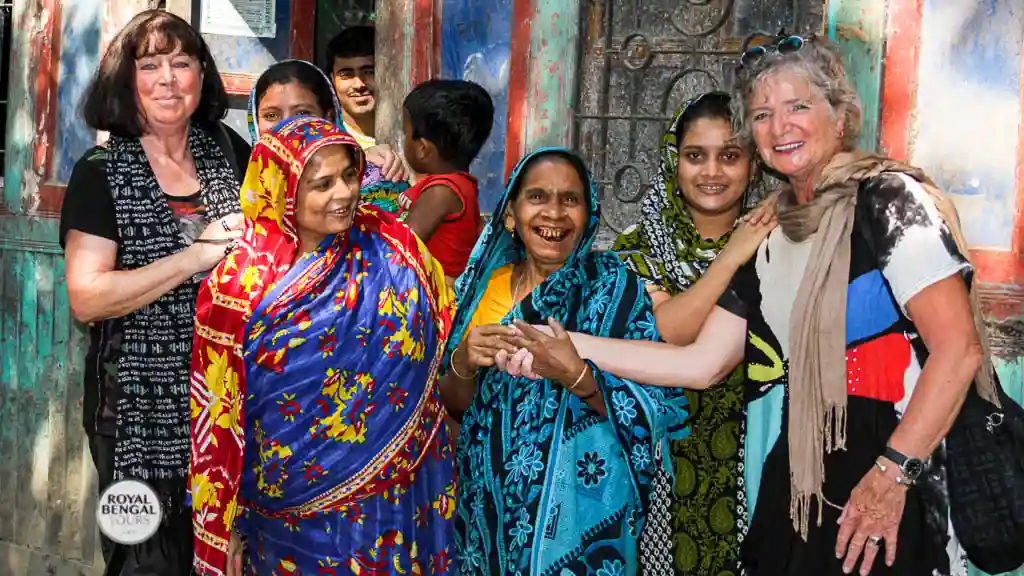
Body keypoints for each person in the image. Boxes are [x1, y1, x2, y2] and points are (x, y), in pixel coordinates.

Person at [506, 35, 995, 576]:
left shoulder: (890, 201)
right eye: (762, 114)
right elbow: (700, 363)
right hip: (806, 477)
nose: (780, 126)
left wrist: (891, 474)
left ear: (841, 116)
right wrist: (566, 343)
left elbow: (958, 350)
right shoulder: (774, 236)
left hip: (896, 469)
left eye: (798, 106)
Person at [189, 117, 456, 576]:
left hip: (394, 500)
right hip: (284, 520)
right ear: (281, 189)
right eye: (322, 184)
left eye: (350, 176)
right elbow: (216, 413)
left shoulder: (392, 246)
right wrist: (224, 519)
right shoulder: (235, 288)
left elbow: (442, 327)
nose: (344, 194)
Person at [439, 148, 689, 575]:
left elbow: (660, 405)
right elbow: (456, 406)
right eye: (537, 197)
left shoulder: (614, 289)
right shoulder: (481, 289)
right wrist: (463, 362)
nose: (554, 213)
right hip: (486, 515)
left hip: (582, 522)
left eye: (570, 200)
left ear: (588, 215)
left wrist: (578, 377)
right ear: (511, 216)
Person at [59, 10, 247, 575]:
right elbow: (87, 297)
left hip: (224, 405)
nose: (168, 78)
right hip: (130, 416)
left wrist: (372, 156)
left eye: (181, 63)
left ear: (201, 76)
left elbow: (299, 185)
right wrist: (197, 257)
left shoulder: (228, 151)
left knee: (220, 558)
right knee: (139, 562)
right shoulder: (100, 172)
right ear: (127, 80)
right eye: (150, 65)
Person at [612, 91, 772, 575]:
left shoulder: (781, 236)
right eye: (695, 156)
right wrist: (731, 256)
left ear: (754, 164)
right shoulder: (640, 246)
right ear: (673, 161)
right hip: (664, 454)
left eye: (730, 155)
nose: (712, 172)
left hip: (758, 446)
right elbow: (670, 331)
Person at [248, 58, 409, 211]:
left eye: (302, 113)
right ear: (256, 120)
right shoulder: (248, 184)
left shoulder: (373, 180)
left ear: (329, 117)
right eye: (271, 115)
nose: (288, 125)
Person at [399, 79, 493, 282]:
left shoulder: (441, 191)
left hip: (435, 297)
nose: (403, 139)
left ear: (423, 149)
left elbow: (400, 246)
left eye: (405, 133)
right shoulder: (462, 185)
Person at [325, 25, 377, 150]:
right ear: (332, 80)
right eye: (346, 74)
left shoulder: (408, 134)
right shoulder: (325, 140)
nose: (359, 85)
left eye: (369, 72)